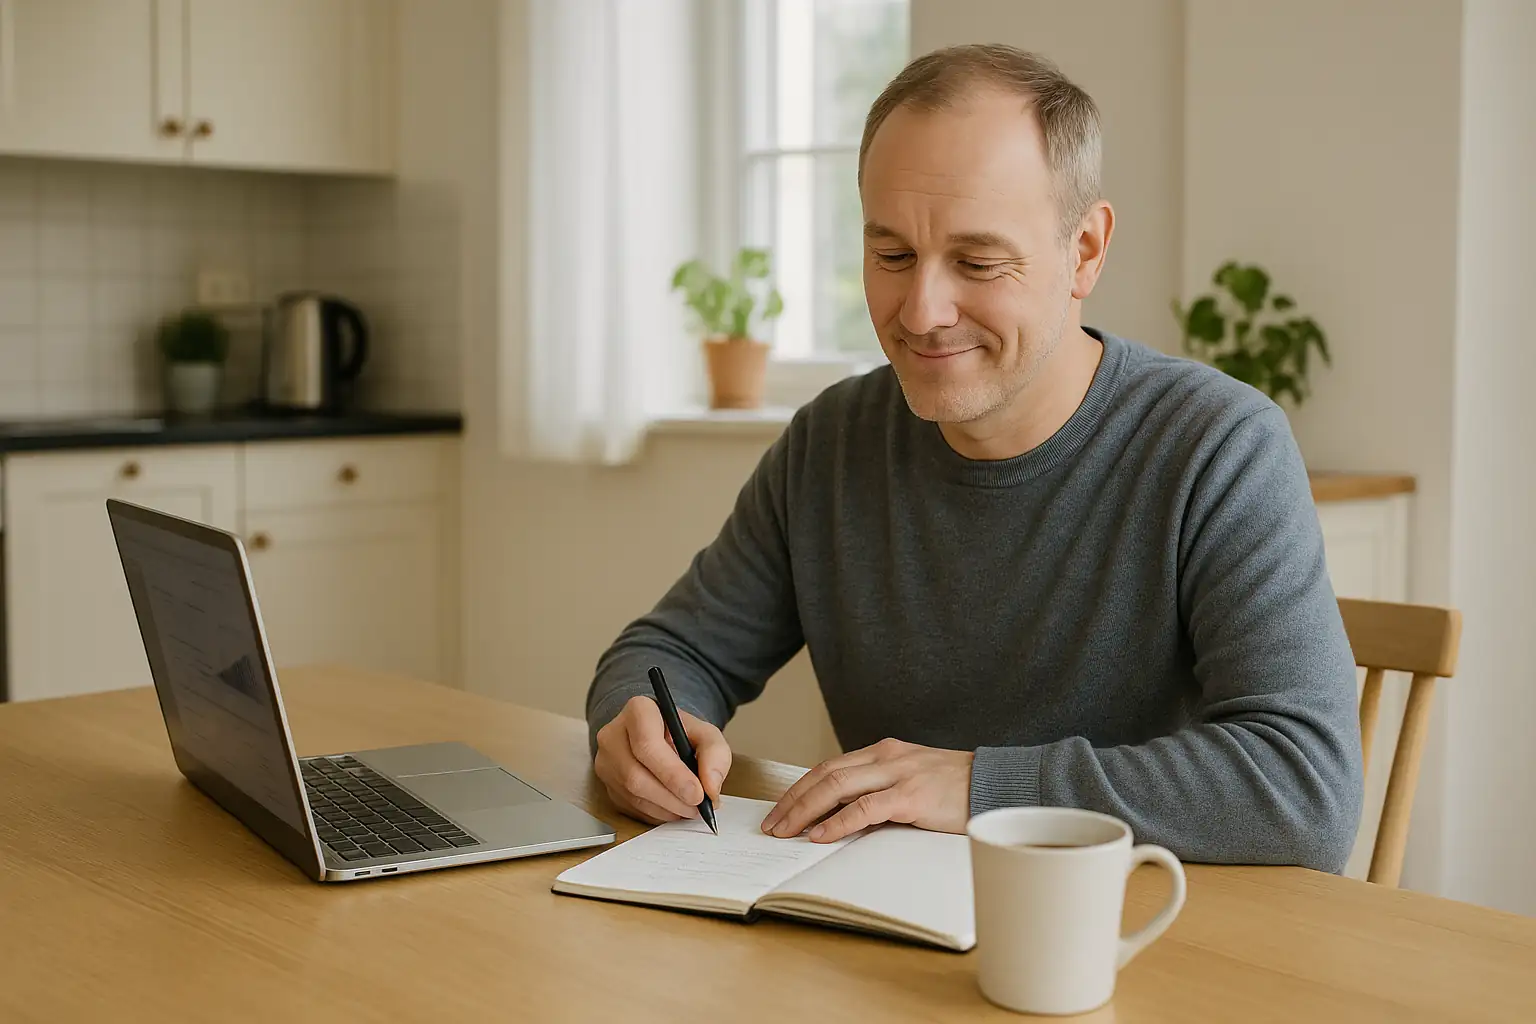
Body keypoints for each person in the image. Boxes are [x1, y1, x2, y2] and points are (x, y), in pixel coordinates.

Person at [584, 43, 1364, 871]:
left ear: (1086, 251)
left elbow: (1302, 787)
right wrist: (640, 723)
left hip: (1136, 941)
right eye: (891, 256)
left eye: (978, 261)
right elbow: (674, 651)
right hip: (891, 936)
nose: (921, 311)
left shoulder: (1218, 447)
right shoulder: (832, 443)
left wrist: (979, 786)